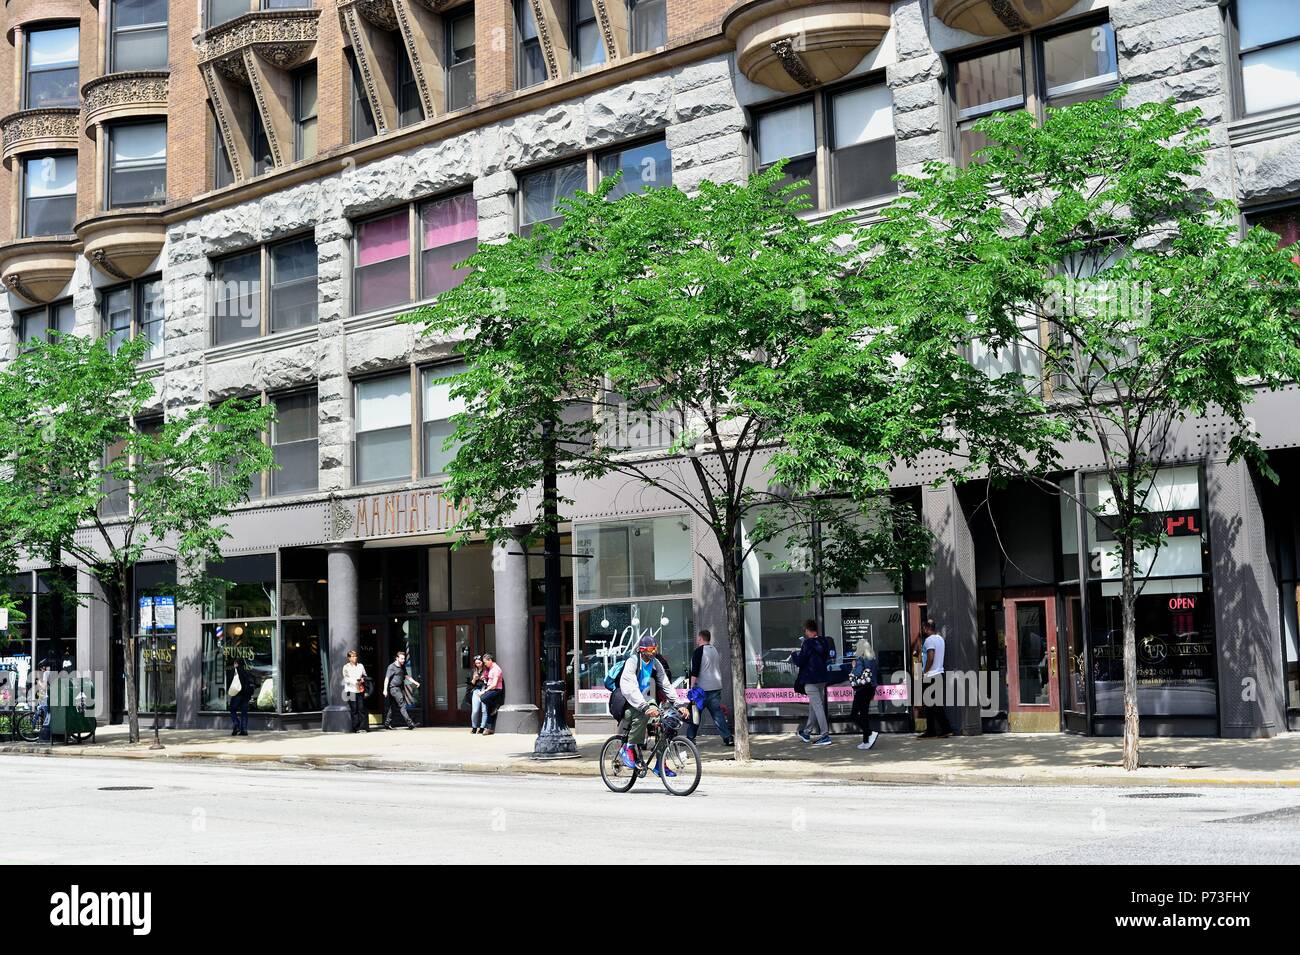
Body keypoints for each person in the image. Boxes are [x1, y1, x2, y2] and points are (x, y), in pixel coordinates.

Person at [618, 634, 689, 776]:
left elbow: (666, 684)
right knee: (642, 716)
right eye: (651, 649)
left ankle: (660, 764)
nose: (654, 651)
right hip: (627, 701)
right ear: (642, 650)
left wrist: (679, 704)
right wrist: (644, 707)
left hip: (645, 700)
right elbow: (629, 687)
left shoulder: (655, 663)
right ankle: (628, 748)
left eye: (655, 648)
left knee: (667, 722)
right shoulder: (632, 662)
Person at [686, 629, 733, 747]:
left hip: (702, 689)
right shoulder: (714, 650)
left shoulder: (698, 652)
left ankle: (690, 738)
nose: (697, 640)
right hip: (715, 687)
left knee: (695, 714)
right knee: (717, 714)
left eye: (698, 638)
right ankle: (728, 737)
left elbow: (694, 671)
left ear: (701, 638)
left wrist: (691, 688)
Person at [790, 619, 832, 746]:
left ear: (808, 630)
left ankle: (825, 735)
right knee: (814, 706)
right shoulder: (824, 641)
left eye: (805, 631)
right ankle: (807, 732)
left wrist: (793, 654)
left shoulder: (807, 644)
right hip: (822, 679)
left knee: (817, 707)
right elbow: (825, 657)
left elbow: (800, 661)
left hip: (810, 679)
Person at [918, 618, 953, 739]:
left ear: (927, 628)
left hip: (931, 675)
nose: (923, 630)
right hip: (939, 674)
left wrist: (924, 671)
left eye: (923, 628)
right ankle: (942, 730)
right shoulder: (940, 639)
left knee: (930, 705)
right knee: (934, 705)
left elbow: (931, 657)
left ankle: (935, 731)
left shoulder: (929, 640)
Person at [849, 637, 880, 751]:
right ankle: (866, 741)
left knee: (853, 714)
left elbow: (857, 673)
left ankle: (870, 733)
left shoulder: (860, 659)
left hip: (862, 689)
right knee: (864, 715)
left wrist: (853, 666)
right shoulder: (872, 659)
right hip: (870, 688)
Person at [383, 649, 418, 729]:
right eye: (401, 658)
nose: (403, 660)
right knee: (402, 705)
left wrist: (415, 682)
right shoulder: (391, 667)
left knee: (393, 707)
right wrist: (385, 690)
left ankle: (387, 723)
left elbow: (407, 676)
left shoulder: (402, 666)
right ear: (397, 658)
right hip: (394, 689)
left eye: (404, 658)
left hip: (399, 689)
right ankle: (410, 724)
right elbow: (387, 678)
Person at [342, 649, 369, 733]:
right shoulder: (346, 667)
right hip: (350, 690)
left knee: (361, 708)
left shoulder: (360, 666)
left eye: (356, 656)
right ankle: (356, 728)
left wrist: (362, 679)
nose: (355, 658)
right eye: (353, 656)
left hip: (360, 690)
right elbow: (346, 678)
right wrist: (355, 681)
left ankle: (362, 727)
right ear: (349, 658)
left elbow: (365, 675)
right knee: (354, 709)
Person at [476, 652, 503, 735]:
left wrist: (484, 691)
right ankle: (489, 729)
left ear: (490, 660)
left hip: (495, 690)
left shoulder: (496, 669)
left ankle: (495, 705)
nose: (484, 664)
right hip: (490, 689)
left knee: (483, 698)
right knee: (488, 709)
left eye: (485, 662)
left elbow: (494, 685)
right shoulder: (490, 668)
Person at [228, 657, 253, 736]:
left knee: (232, 709)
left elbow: (229, 681)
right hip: (246, 695)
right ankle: (244, 730)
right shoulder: (246, 672)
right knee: (244, 712)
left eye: (235, 663)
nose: (234, 664)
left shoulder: (234, 671)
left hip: (237, 694)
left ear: (236, 663)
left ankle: (236, 724)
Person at [466, 655, 486, 734]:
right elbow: (470, 685)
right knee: (475, 710)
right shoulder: (473, 671)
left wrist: (484, 679)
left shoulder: (486, 670)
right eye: (476, 663)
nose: (478, 664)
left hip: (485, 689)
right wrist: (474, 679)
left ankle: (482, 727)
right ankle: (474, 727)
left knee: (484, 710)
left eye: (479, 663)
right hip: (476, 690)